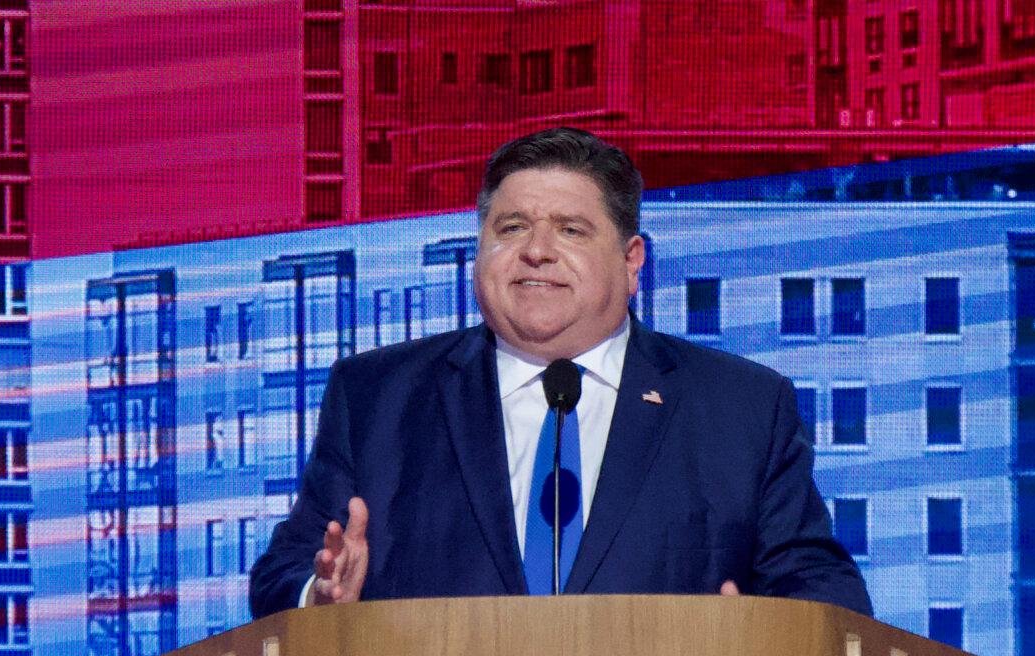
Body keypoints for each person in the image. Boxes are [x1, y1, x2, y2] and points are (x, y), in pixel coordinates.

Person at [249, 127, 871, 618]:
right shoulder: (377, 397)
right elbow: (284, 573)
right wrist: (322, 598)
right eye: (511, 227)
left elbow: (824, 588)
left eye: (570, 230)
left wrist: (763, 633)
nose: (536, 250)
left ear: (631, 262)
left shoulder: (741, 407)